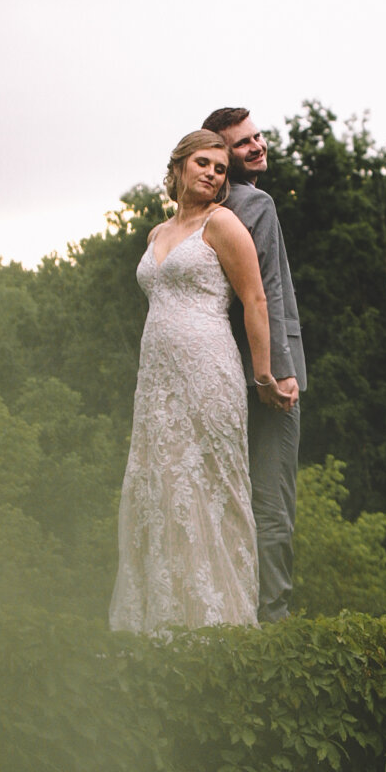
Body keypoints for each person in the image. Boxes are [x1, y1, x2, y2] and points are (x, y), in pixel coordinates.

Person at [109, 131, 295, 634]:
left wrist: (265, 375)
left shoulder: (224, 223)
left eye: (220, 168)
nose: (213, 174)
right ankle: (163, 619)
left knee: (207, 486)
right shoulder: (155, 234)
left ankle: (223, 621)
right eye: (203, 163)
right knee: (159, 484)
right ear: (178, 168)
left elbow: (255, 301)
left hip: (208, 370)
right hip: (157, 381)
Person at [203, 106, 305, 623]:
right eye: (243, 143)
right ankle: (274, 621)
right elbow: (262, 295)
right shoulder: (256, 204)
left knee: (225, 501)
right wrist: (279, 372)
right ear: (223, 155)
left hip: (215, 372)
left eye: (258, 136)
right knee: (273, 504)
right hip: (266, 374)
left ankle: (228, 609)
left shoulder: (202, 213)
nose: (257, 146)